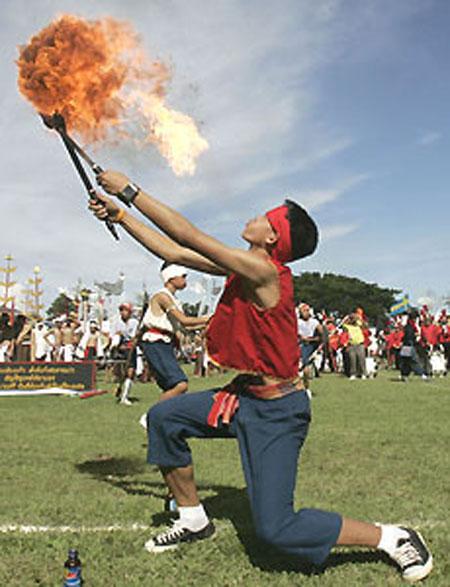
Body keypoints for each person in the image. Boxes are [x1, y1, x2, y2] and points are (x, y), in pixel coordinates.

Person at [89, 170, 433, 583]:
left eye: (264, 218)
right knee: (165, 418)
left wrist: (129, 191)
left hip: (277, 411)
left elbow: (189, 234)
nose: (254, 217)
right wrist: (120, 216)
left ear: (273, 239)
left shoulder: (263, 271)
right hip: (243, 399)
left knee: (276, 529)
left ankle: (392, 537)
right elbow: (174, 251)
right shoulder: (246, 266)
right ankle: (194, 518)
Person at [141, 262, 210, 402]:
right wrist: (209, 318)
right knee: (180, 385)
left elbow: (185, 327)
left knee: (172, 387)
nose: (185, 279)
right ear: (171, 277)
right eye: (183, 276)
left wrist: (209, 323)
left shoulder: (174, 299)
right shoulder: (162, 296)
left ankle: (162, 419)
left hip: (165, 343)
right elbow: (184, 321)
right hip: (156, 341)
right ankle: (152, 417)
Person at [111, 303, 139, 405]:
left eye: (125, 310)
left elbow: (135, 337)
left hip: (130, 349)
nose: (123, 312)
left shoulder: (134, 323)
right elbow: (113, 335)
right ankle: (119, 386)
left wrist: (134, 342)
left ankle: (125, 396)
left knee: (130, 372)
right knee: (121, 373)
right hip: (119, 349)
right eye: (122, 310)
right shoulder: (116, 322)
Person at [297, 303, 322, 388]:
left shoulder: (314, 322)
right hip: (299, 345)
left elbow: (321, 335)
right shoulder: (297, 322)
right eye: (304, 311)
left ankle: (306, 388)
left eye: (307, 310)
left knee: (306, 370)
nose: (306, 312)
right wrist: (301, 337)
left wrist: (315, 340)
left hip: (309, 346)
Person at [342, 313, 367, 380]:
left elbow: (364, 325)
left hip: (360, 344)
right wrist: (347, 318)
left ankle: (363, 373)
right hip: (351, 344)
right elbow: (342, 324)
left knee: (361, 359)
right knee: (352, 360)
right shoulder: (347, 326)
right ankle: (353, 373)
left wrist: (359, 318)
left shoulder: (358, 324)